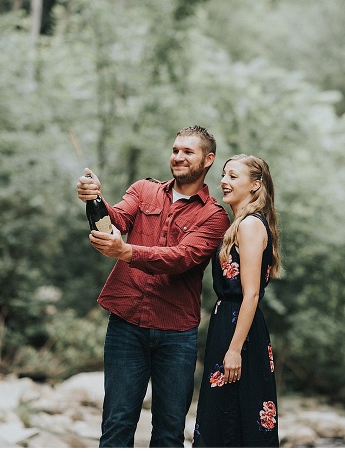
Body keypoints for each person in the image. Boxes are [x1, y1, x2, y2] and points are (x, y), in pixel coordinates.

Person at [76, 125, 230, 448]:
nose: (178, 157)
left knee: (169, 433)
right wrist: (95, 199)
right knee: (116, 423)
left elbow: (181, 258)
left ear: (208, 160)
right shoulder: (143, 189)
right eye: (175, 150)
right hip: (126, 325)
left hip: (177, 335)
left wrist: (126, 252)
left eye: (188, 152)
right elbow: (117, 220)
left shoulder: (215, 217)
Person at [192, 154, 281, 448]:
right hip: (228, 323)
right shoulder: (238, 224)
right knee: (224, 414)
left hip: (239, 330)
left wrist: (234, 349)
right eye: (223, 175)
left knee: (238, 413)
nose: (223, 182)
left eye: (233, 176)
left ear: (255, 185)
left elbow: (251, 293)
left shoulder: (250, 225)